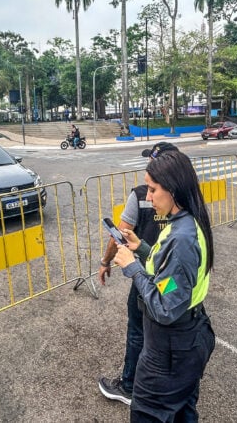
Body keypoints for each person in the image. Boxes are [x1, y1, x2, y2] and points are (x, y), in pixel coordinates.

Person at [112, 150, 216, 422]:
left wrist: (131, 267)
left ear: (173, 189)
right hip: (185, 342)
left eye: (153, 189)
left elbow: (165, 306)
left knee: (148, 414)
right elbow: (171, 281)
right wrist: (143, 249)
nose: (148, 197)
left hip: (170, 351)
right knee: (182, 412)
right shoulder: (187, 222)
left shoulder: (182, 237)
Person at [97, 142, 177, 406]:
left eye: (152, 164)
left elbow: (117, 235)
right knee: (164, 328)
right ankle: (161, 378)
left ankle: (129, 385)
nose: (151, 196)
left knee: (138, 330)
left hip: (148, 277)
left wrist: (106, 261)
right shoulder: (187, 201)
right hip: (170, 280)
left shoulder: (141, 195)